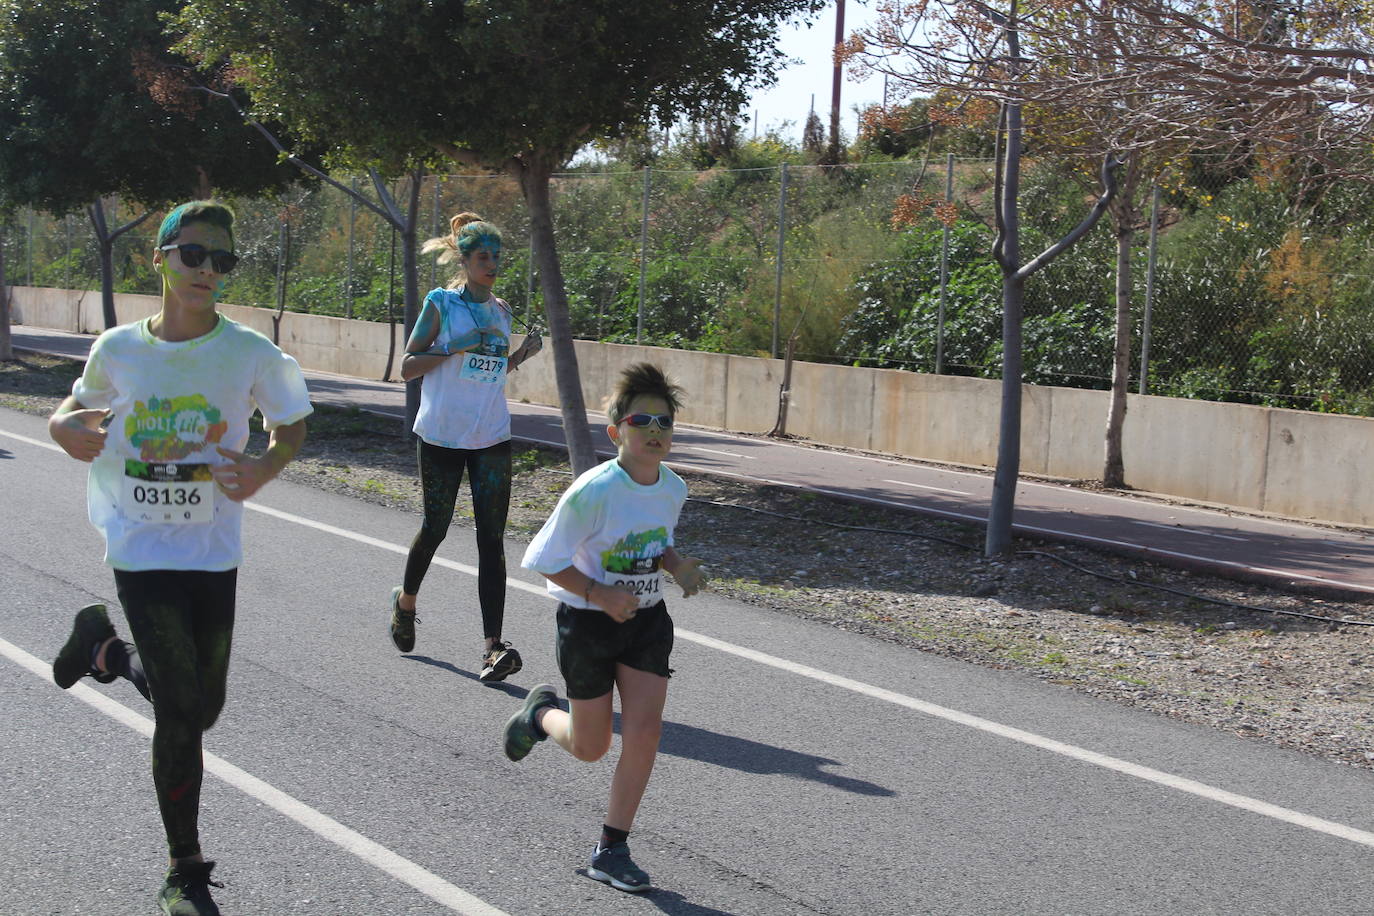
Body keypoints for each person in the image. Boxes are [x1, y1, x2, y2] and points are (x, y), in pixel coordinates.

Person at [47, 200, 312, 916]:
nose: (207, 271)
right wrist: (63, 427)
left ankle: (101, 650)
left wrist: (261, 469)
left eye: (222, 261)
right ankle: (184, 867)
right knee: (181, 710)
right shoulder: (120, 349)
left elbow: (292, 423)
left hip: (213, 547)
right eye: (193, 255)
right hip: (139, 544)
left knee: (205, 706)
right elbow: (75, 411)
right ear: (158, 259)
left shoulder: (249, 353)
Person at [502, 362, 706, 893]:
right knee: (591, 747)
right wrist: (597, 593)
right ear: (616, 432)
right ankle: (540, 714)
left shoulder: (673, 488)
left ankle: (611, 849)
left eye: (665, 423)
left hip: (646, 623)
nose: (655, 432)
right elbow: (542, 557)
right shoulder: (592, 491)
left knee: (645, 733)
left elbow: (653, 539)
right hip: (588, 625)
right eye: (643, 421)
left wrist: (677, 566)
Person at [389, 212, 543, 682]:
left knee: (491, 541)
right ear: (465, 259)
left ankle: (492, 649)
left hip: (491, 435)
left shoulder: (501, 310)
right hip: (441, 435)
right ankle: (405, 602)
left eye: (497, 257)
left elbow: (490, 372)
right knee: (435, 528)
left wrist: (519, 357)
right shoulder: (441, 304)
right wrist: (452, 348)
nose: (492, 264)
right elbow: (408, 366)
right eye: (483, 257)